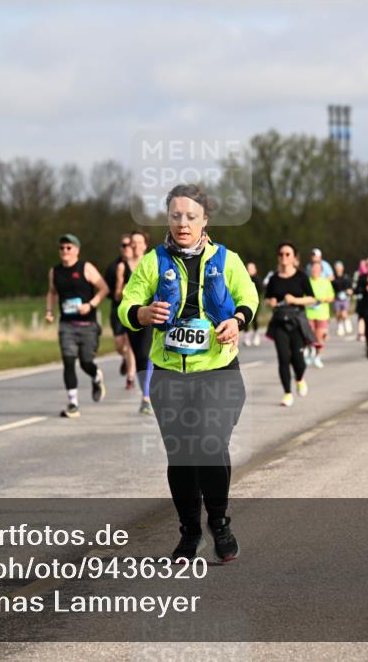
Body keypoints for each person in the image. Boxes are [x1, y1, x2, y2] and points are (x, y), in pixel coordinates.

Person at [118, 184, 257, 563]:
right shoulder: (153, 261)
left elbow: (248, 297)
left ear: (205, 220)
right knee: (181, 456)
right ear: (168, 218)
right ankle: (190, 533)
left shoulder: (227, 260)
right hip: (168, 375)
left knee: (210, 445)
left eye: (191, 216)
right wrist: (142, 314)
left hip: (217, 371)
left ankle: (220, 523)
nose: (183, 223)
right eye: (176, 215)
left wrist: (236, 320)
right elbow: (126, 304)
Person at [45, 234, 109, 418]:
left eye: (69, 247)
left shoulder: (86, 268)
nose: (65, 251)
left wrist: (91, 305)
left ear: (77, 250)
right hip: (67, 324)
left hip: (88, 324)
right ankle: (73, 403)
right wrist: (49, 311)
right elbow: (51, 293)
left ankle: (96, 375)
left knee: (85, 362)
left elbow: (104, 288)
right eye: (62, 248)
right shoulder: (54, 272)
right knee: (68, 361)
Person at [265, 242, 317, 407]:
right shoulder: (274, 278)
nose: (284, 257)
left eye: (287, 254)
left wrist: (295, 300)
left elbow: (312, 298)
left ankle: (300, 378)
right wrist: (271, 301)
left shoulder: (301, 276)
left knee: (298, 359)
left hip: (297, 321)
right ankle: (287, 393)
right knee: (283, 358)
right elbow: (268, 298)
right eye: (281, 254)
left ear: (294, 257)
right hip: (280, 322)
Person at [119, 230, 154, 414]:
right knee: (139, 356)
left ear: (145, 245)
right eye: (133, 241)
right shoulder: (123, 266)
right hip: (132, 316)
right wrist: (125, 289)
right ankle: (145, 393)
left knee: (146, 353)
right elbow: (117, 295)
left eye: (139, 242)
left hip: (150, 314)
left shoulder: (151, 262)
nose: (135, 245)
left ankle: (146, 397)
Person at [104, 235, 134, 389]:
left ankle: (130, 378)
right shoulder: (114, 267)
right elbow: (112, 294)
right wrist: (122, 287)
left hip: (135, 309)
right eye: (124, 245)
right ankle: (125, 359)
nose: (127, 247)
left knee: (130, 344)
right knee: (119, 345)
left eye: (130, 244)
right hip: (118, 307)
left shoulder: (143, 263)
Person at [306, 260, 335, 368]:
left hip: (322, 314)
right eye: (313, 269)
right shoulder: (307, 281)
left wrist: (323, 300)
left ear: (321, 271)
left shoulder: (325, 282)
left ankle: (317, 357)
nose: (315, 271)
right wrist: (310, 301)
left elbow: (332, 296)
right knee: (309, 336)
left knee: (319, 338)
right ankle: (309, 351)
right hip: (309, 313)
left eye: (317, 269)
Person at [242, 261, 263, 346]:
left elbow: (261, 290)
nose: (249, 270)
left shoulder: (257, 279)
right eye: (248, 268)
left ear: (255, 269)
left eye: (251, 268)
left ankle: (256, 335)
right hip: (245, 301)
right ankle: (246, 336)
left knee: (254, 318)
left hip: (255, 302)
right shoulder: (244, 279)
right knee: (245, 318)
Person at [331, 261, 353, 337]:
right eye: (337, 268)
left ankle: (347, 321)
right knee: (338, 313)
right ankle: (340, 325)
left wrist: (349, 291)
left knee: (344, 313)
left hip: (345, 298)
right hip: (336, 298)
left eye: (339, 268)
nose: (338, 269)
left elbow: (350, 287)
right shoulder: (333, 278)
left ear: (342, 268)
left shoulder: (346, 277)